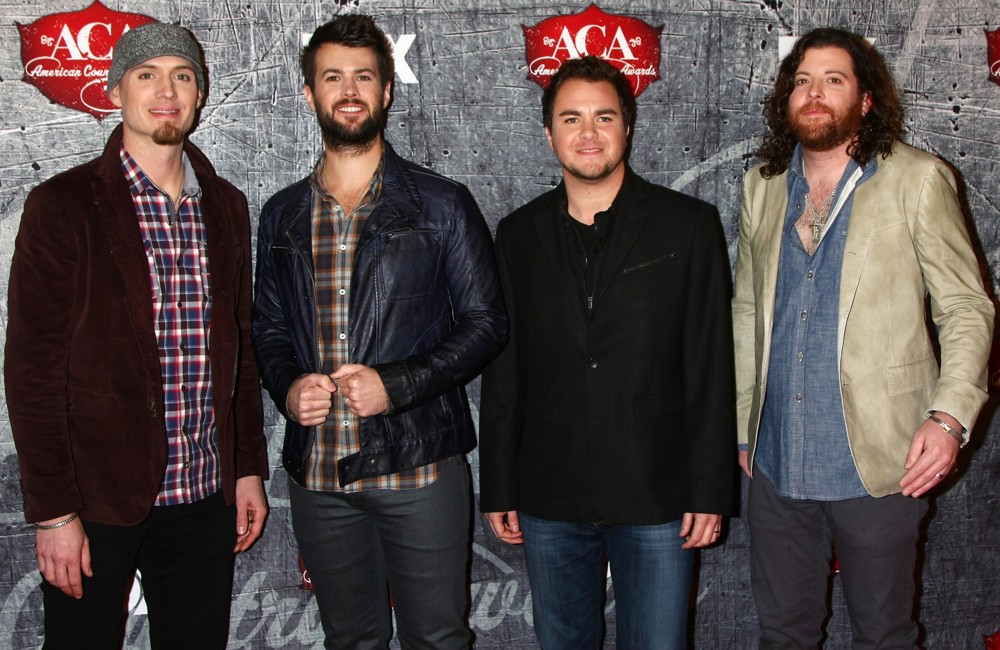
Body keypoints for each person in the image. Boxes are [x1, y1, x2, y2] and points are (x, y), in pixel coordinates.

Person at [5, 22, 269, 648]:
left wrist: (246, 468)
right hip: (95, 500)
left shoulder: (225, 205)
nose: (166, 91)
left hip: (203, 493)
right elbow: (33, 370)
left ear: (200, 96)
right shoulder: (63, 205)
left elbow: (240, 349)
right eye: (146, 74)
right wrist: (54, 511)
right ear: (114, 88)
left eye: (182, 76)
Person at [732, 27, 994, 648]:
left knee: (884, 636)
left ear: (866, 99)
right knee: (783, 634)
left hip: (881, 462)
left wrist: (949, 417)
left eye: (833, 80)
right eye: (801, 81)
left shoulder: (919, 179)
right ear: (785, 98)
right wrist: (745, 421)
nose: (814, 93)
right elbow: (746, 309)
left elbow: (966, 307)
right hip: (776, 462)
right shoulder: (762, 186)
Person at [251, 14, 506, 650]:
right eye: (332, 77)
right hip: (319, 477)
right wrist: (285, 387)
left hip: (419, 470)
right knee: (350, 640)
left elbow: (487, 323)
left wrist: (396, 386)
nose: (349, 90)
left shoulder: (442, 204)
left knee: (438, 639)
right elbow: (269, 327)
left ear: (387, 90)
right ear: (308, 94)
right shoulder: (282, 213)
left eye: (364, 76)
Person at [478, 56, 736, 649]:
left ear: (628, 127)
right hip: (549, 490)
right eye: (571, 118)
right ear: (549, 133)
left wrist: (708, 488)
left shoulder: (688, 226)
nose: (587, 133)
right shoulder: (517, 235)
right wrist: (498, 482)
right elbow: (504, 368)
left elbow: (709, 364)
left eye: (604, 117)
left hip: (658, 489)